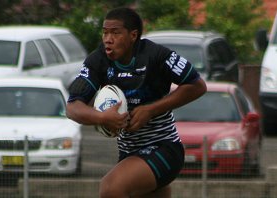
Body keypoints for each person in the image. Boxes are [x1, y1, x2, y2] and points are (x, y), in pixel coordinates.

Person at [66, 7, 207, 198]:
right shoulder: (97, 61)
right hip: (129, 153)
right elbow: (72, 107)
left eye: (115, 33)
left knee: (111, 188)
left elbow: (197, 85)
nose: (108, 38)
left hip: (163, 148)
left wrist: (151, 110)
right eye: (105, 32)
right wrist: (102, 117)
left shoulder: (157, 55)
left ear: (133, 35)